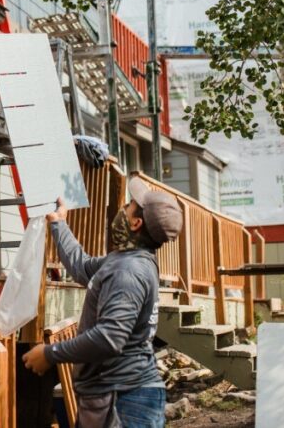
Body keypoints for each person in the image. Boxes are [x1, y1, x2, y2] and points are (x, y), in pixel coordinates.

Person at [22, 177, 184, 428]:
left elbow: (110, 337)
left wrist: (50, 353)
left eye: (129, 206)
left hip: (124, 399)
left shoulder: (127, 271)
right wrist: (58, 224)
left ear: (135, 222)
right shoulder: (128, 261)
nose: (123, 208)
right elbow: (83, 268)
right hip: (116, 394)